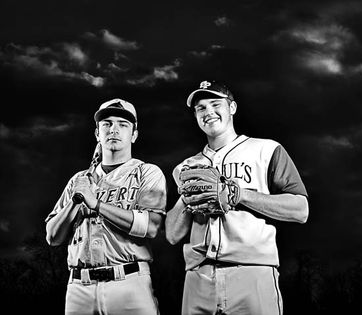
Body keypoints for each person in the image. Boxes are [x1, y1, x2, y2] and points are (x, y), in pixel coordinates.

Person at [165, 80, 309, 315]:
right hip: (198, 278)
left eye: (215, 104)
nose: (208, 112)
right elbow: (172, 235)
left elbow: (301, 209)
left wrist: (238, 194)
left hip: (252, 274)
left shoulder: (266, 150)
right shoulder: (185, 167)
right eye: (200, 108)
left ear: (232, 108)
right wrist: (186, 196)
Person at [45, 98, 167, 315]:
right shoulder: (79, 180)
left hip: (129, 282)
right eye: (107, 123)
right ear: (97, 134)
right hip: (79, 287)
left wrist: (96, 204)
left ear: (134, 135)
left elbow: (150, 227)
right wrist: (75, 201)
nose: (114, 130)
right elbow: (53, 237)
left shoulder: (147, 172)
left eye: (123, 124)